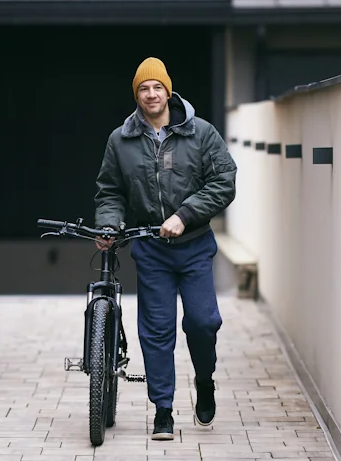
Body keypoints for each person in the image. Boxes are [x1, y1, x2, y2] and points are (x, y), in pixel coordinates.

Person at [94, 57, 237, 441]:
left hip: (193, 246)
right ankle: (163, 410)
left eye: (157, 87)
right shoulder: (120, 141)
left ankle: (204, 381)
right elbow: (110, 192)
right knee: (157, 331)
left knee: (203, 322)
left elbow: (224, 181)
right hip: (150, 248)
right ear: (136, 95)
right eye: (144, 88)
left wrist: (185, 215)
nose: (151, 94)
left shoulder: (201, 133)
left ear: (168, 91)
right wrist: (109, 225)